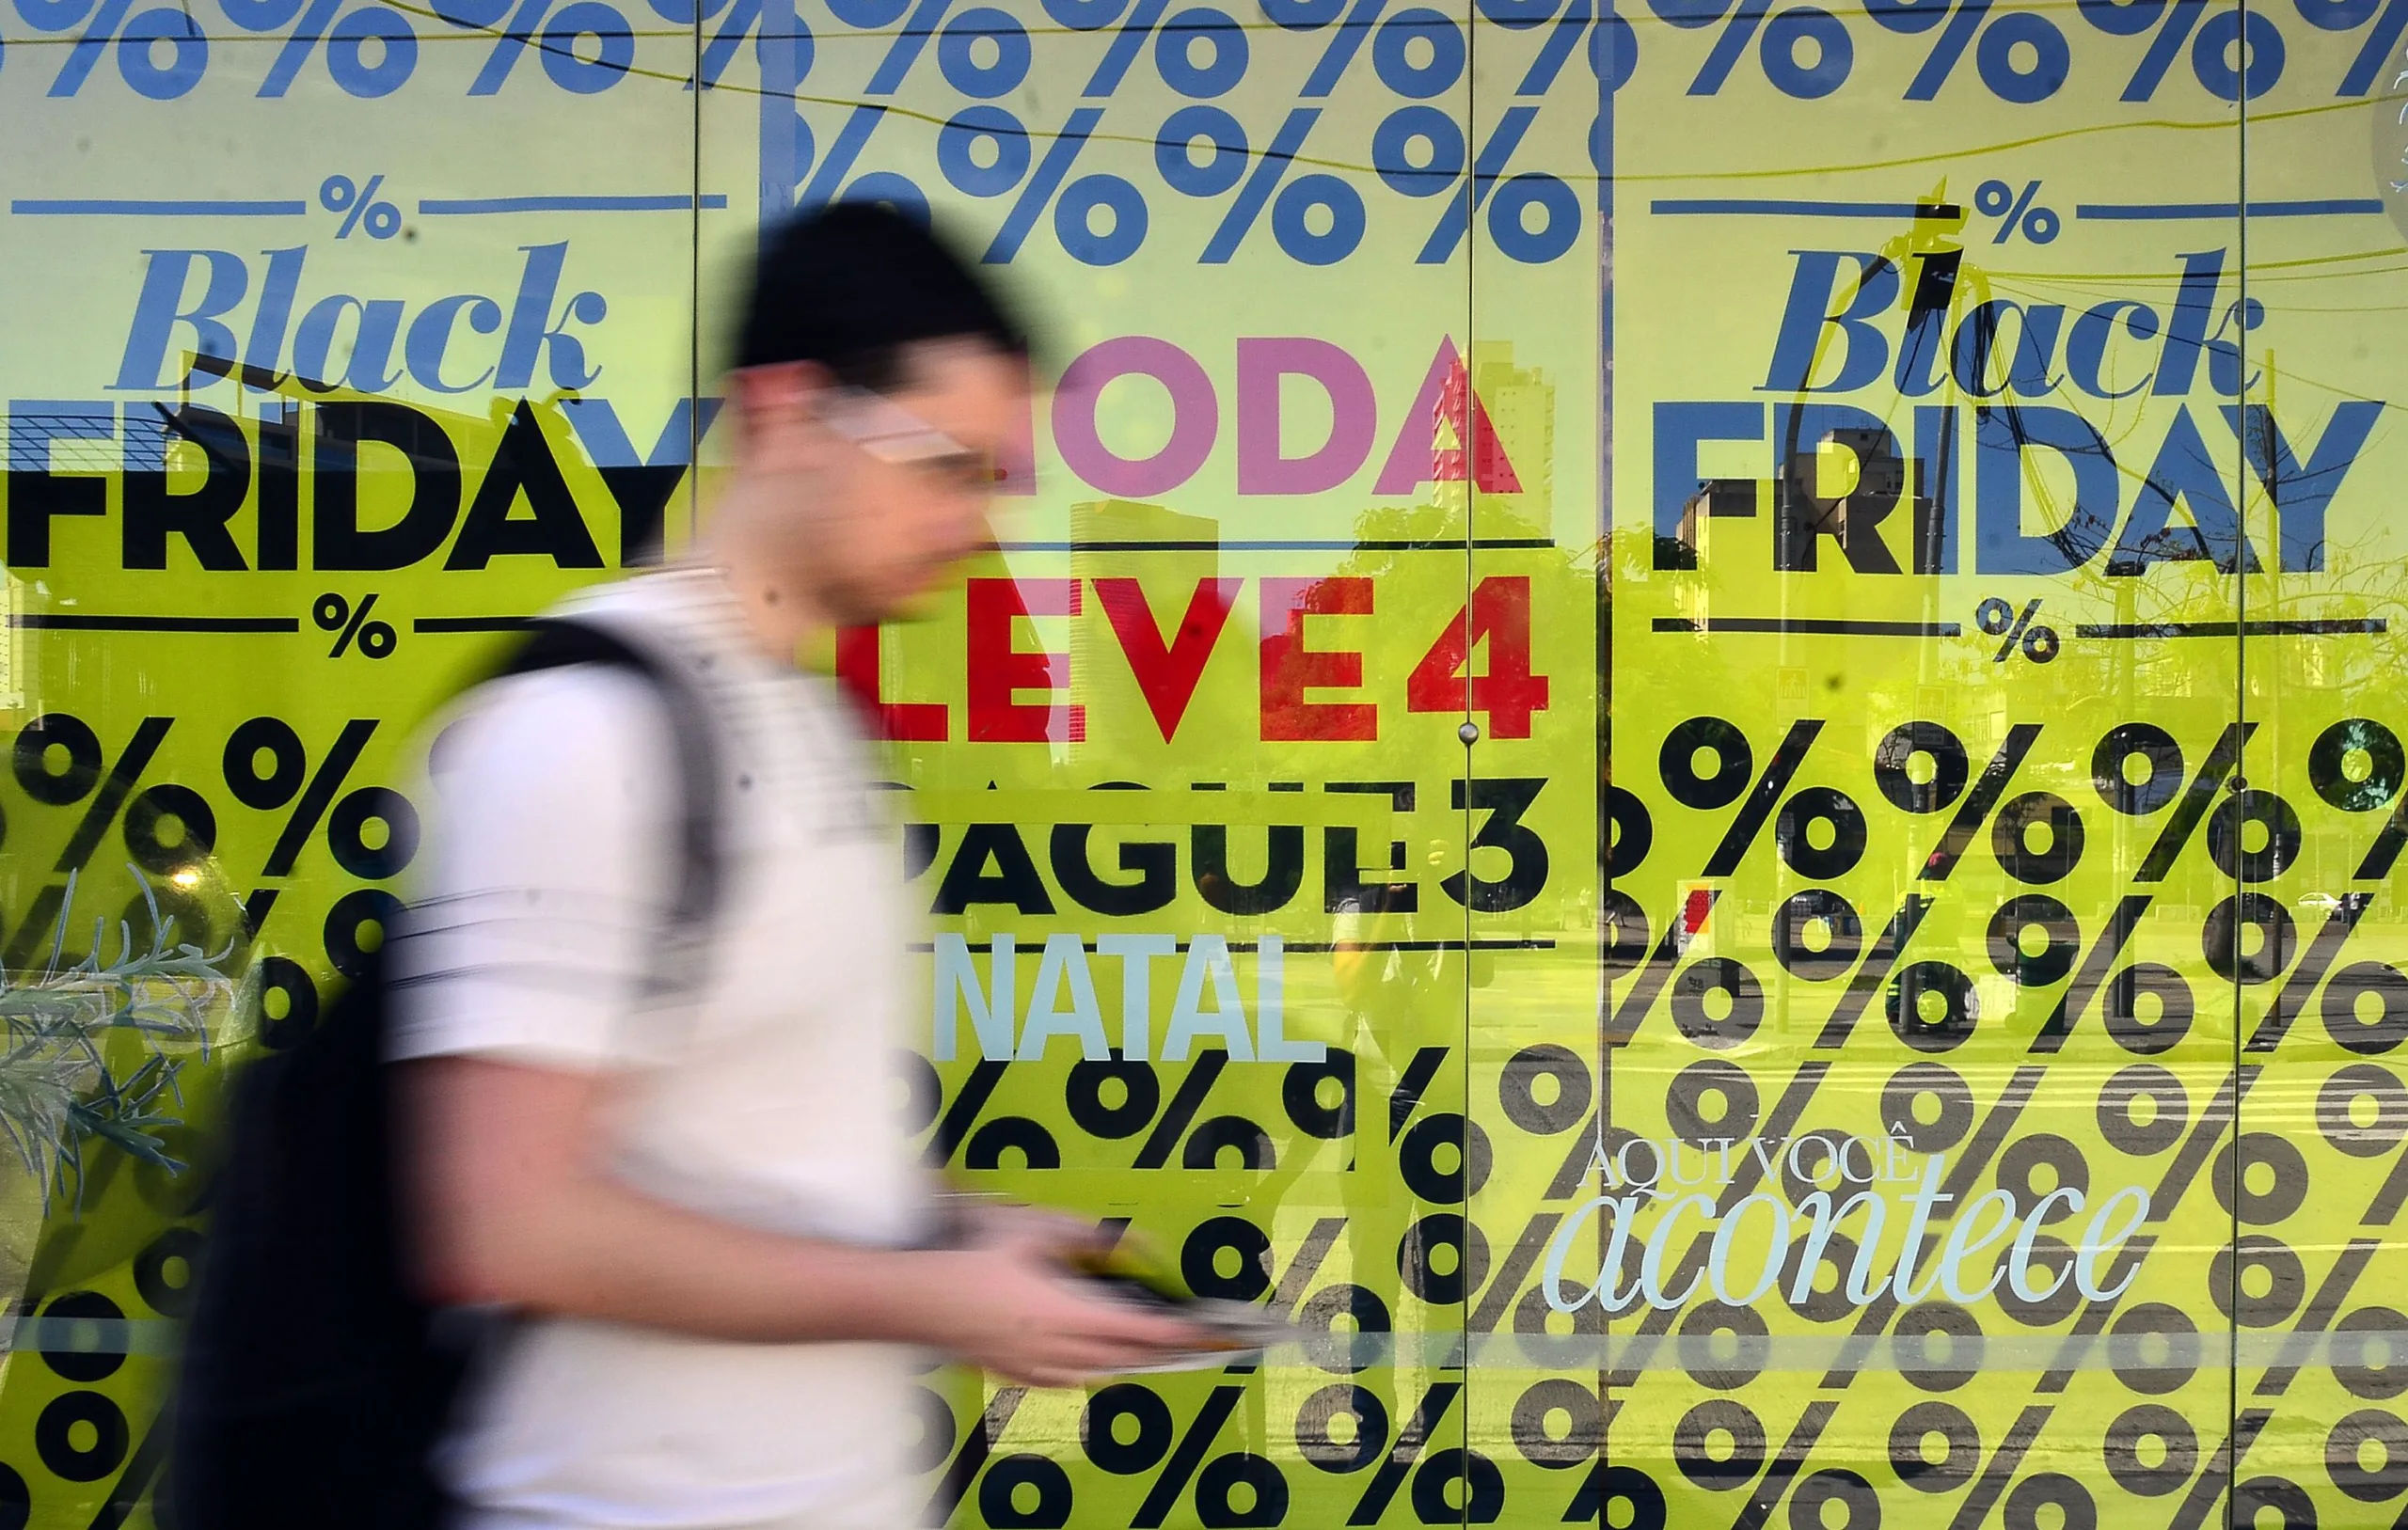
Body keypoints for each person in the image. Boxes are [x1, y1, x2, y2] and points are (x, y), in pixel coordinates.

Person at [387, 204, 1203, 1530]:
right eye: (948, 464)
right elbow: (510, 1223)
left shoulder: (809, 720)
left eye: (996, 475)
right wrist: (932, 1298)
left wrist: (948, 1228)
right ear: (783, 412)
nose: (979, 519)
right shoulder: (585, 732)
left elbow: (739, 1147)